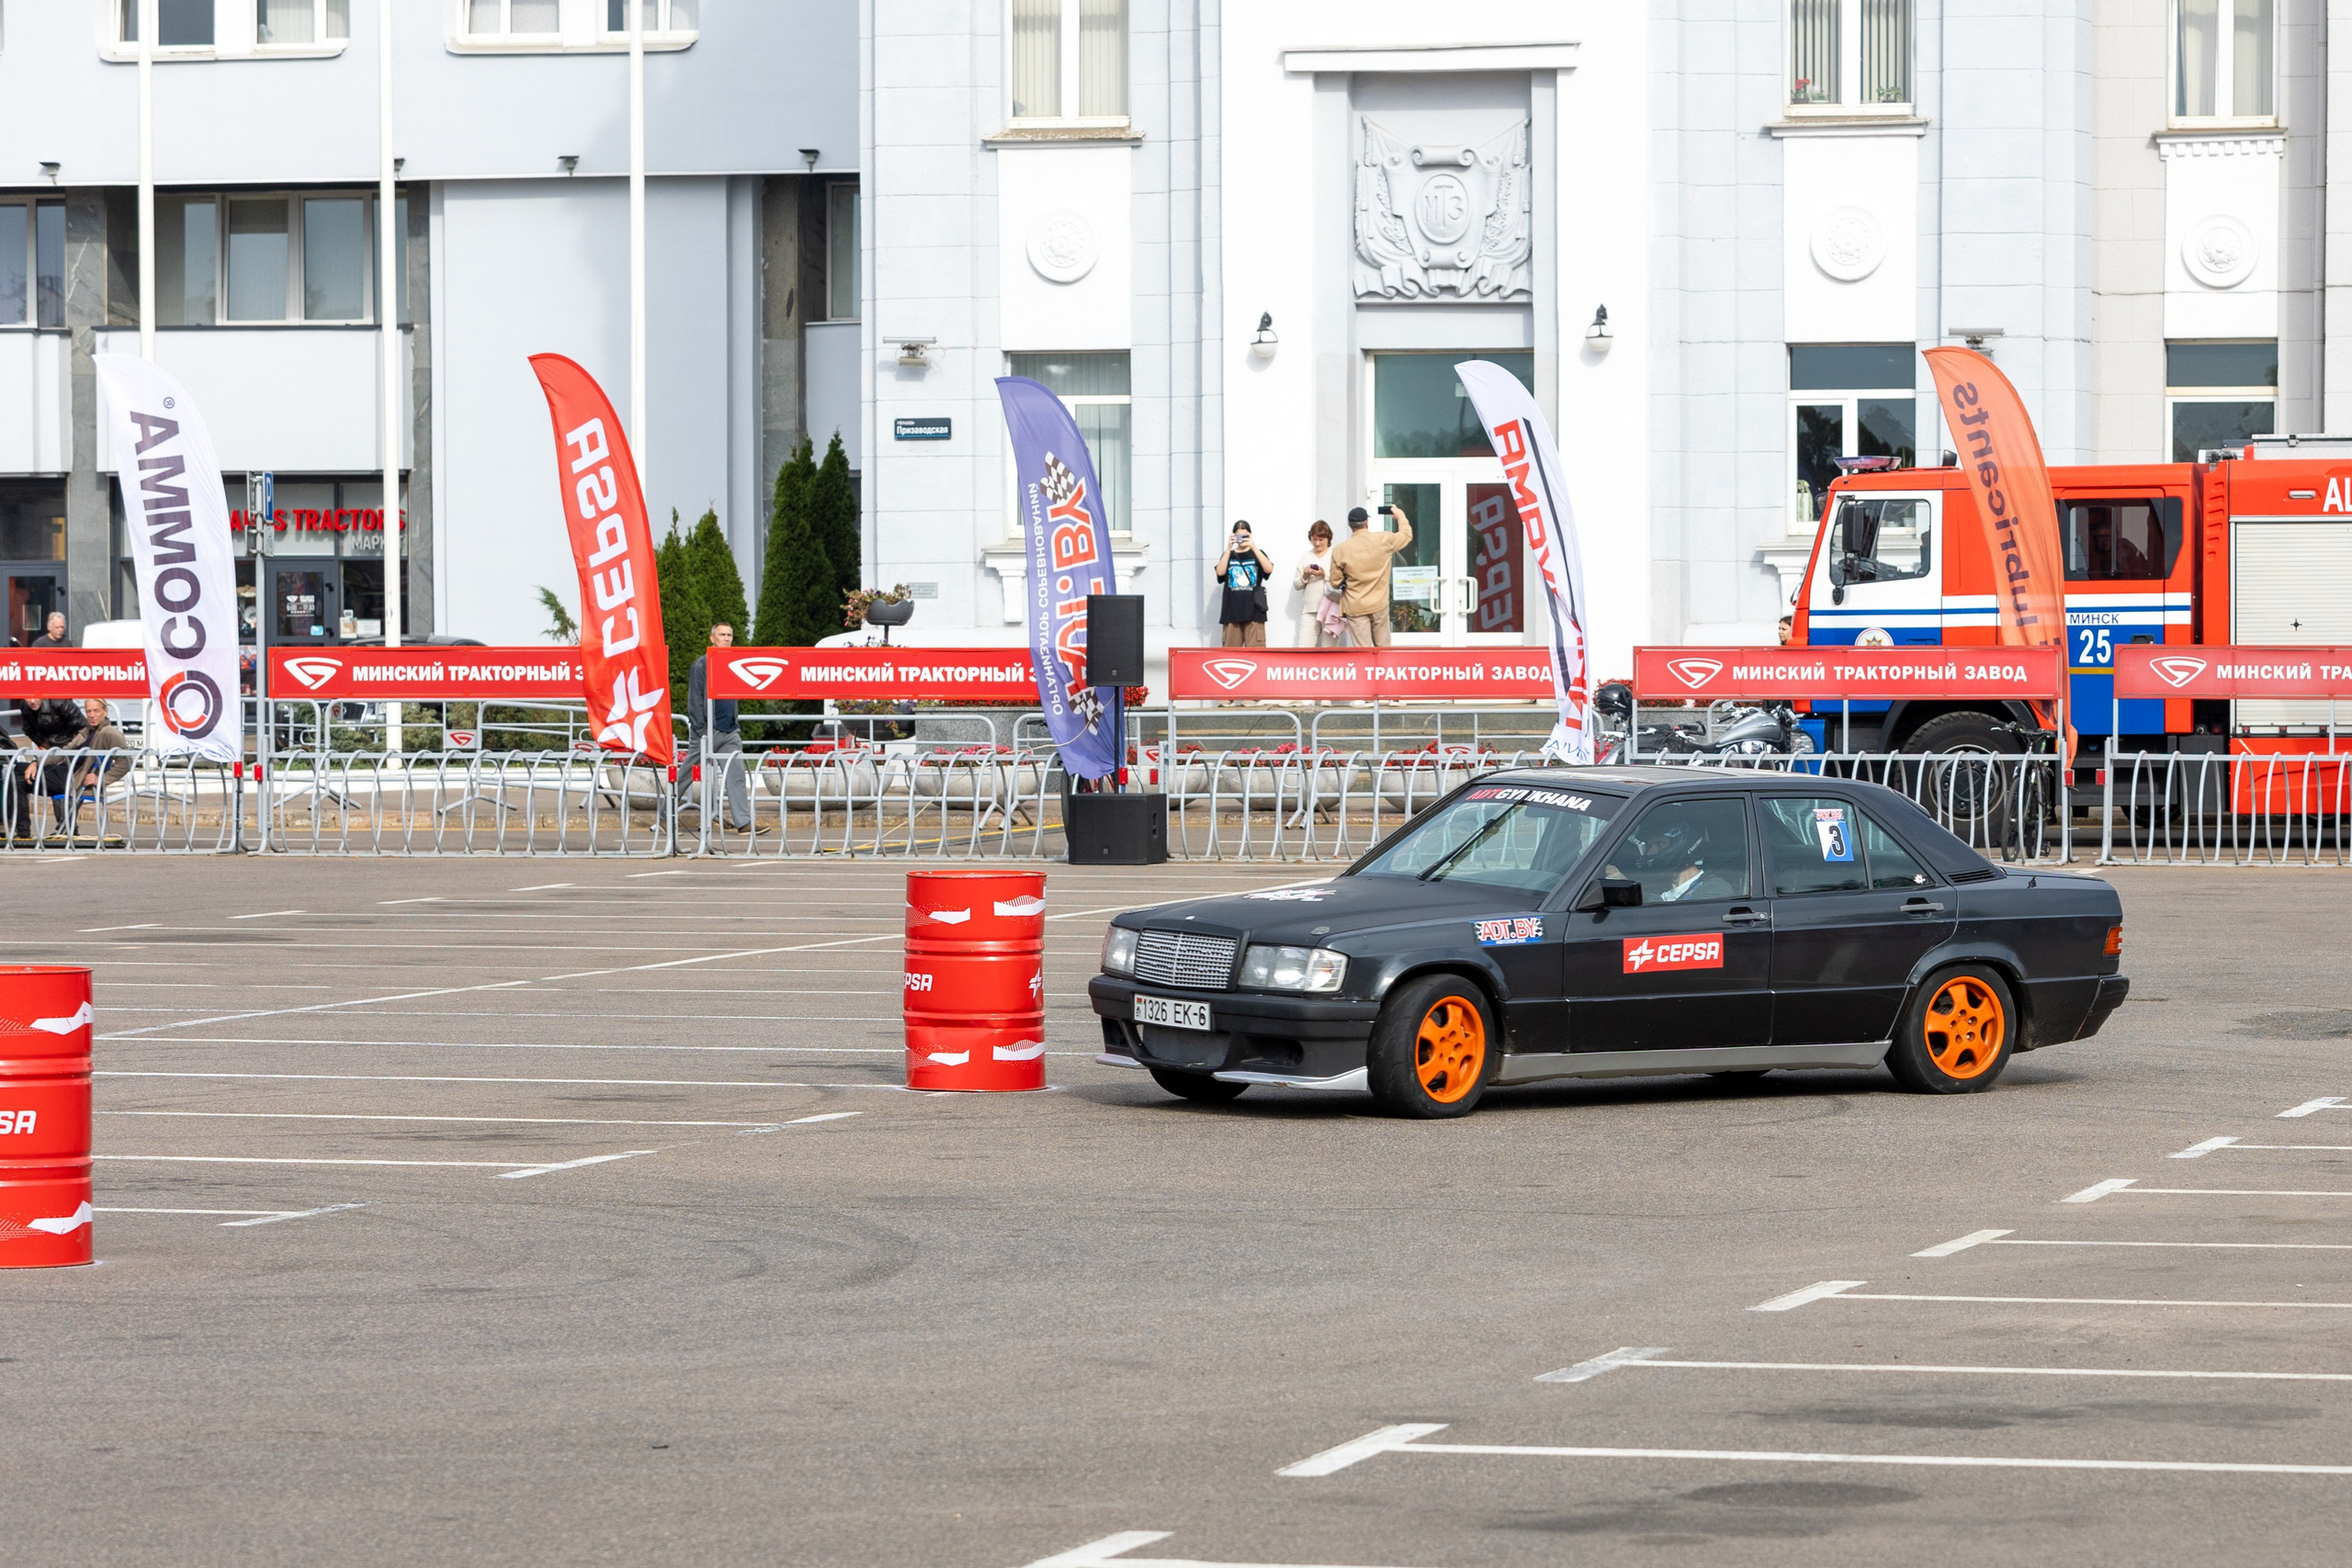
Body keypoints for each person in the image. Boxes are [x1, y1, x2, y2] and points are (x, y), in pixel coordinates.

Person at [678, 623, 759, 836]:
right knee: (686, 775)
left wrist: (735, 721)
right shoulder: (701, 665)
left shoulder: (733, 662)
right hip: (707, 731)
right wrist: (700, 729)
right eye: (722, 635)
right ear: (712, 638)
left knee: (736, 776)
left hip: (730, 731)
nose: (726, 638)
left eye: (729, 635)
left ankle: (744, 822)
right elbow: (694, 699)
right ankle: (663, 816)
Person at [1327, 502, 1416, 648]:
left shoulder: (1340, 550)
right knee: (1383, 648)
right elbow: (1406, 535)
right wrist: (1401, 517)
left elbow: (1335, 582)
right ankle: (1383, 670)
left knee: (1363, 652)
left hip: (1355, 605)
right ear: (1367, 523)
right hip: (1379, 603)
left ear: (1350, 525)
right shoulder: (1384, 539)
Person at [8, 695, 96, 841]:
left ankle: (67, 829)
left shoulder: (60, 702)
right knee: (17, 773)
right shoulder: (25, 707)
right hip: (54, 757)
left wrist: (52, 756)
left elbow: (83, 730)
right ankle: (23, 831)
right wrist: (48, 749)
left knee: (21, 775)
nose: (32, 701)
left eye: (36, 696)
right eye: (28, 697)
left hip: (72, 761)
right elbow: (29, 730)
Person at [1214, 521, 1274, 648]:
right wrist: (1229, 547)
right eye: (1238, 536)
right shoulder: (1228, 555)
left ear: (1250, 535)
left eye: (1245, 536)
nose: (1241, 539)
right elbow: (1220, 572)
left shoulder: (1258, 553)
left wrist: (1253, 546)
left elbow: (1268, 569)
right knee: (1231, 655)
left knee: (1256, 654)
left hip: (1255, 612)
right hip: (1231, 612)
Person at [1293, 520, 1339, 647]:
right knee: (1303, 651)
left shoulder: (1335, 554)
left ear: (1328, 538)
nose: (1317, 543)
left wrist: (1325, 574)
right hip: (1310, 610)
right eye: (1314, 539)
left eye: (1321, 540)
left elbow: (1343, 580)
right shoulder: (1305, 556)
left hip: (1332, 610)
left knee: (1329, 653)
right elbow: (1296, 585)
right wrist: (1305, 576)